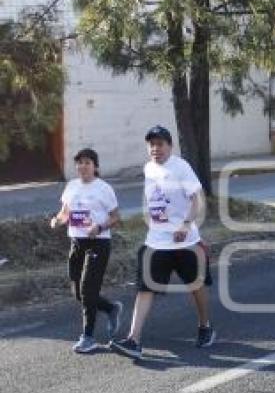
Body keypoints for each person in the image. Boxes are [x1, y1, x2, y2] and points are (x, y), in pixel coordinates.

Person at [110, 125, 214, 359]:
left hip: (185, 241)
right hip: (156, 241)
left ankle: (205, 326)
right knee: (145, 288)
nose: (155, 148)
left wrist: (186, 224)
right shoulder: (148, 168)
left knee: (195, 286)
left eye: (160, 144)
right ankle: (133, 340)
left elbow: (196, 198)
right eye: (151, 144)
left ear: (170, 146)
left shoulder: (180, 166)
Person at [50, 148, 123, 353]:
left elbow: (116, 216)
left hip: (98, 243)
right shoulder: (71, 186)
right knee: (78, 293)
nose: (82, 166)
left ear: (95, 166)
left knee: (88, 290)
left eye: (87, 162)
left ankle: (88, 337)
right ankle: (110, 308)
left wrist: (99, 227)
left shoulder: (104, 189)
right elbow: (65, 213)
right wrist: (57, 220)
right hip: (76, 243)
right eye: (79, 163)